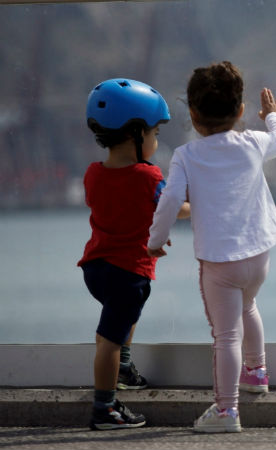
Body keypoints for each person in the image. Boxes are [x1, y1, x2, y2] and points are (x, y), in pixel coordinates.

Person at [147, 61, 276, 433]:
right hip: (259, 254)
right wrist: (273, 116)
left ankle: (227, 411)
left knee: (226, 335)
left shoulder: (186, 156)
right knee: (250, 305)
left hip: (220, 263)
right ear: (241, 111)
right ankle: (257, 372)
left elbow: (170, 201)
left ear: (193, 115)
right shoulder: (253, 142)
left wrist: (156, 240)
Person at [78, 78, 190, 430]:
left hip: (96, 268)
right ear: (136, 133)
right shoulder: (147, 176)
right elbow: (171, 207)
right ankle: (105, 408)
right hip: (127, 272)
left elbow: (120, 212)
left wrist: (149, 231)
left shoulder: (93, 174)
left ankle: (124, 368)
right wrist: (200, 203)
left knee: (122, 320)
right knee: (108, 339)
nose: (157, 141)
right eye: (156, 132)